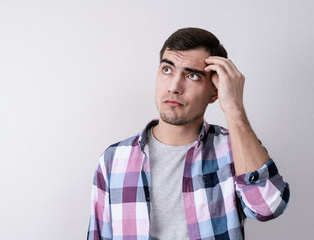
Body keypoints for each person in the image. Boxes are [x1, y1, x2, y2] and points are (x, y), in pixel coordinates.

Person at [87, 27, 290, 240]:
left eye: (192, 75)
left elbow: (269, 206)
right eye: (167, 70)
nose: (174, 87)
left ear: (214, 91)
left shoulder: (234, 149)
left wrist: (234, 108)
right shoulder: (114, 159)